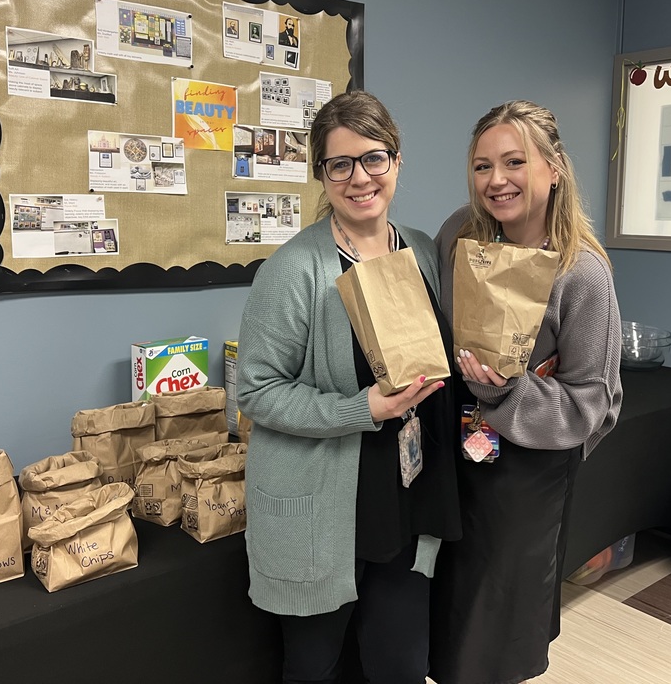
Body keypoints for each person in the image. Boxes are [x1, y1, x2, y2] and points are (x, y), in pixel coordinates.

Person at [236, 90, 461, 684]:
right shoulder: (293, 269)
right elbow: (256, 391)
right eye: (341, 164)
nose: (360, 178)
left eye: (373, 158)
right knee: (316, 666)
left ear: (397, 162)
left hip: (405, 496)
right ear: (322, 174)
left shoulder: (421, 251)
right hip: (324, 509)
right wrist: (362, 408)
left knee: (401, 665)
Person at [429, 99, 623, 684]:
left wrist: (509, 396)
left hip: (526, 475)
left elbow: (594, 403)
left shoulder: (581, 273)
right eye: (482, 166)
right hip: (453, 456)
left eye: (514, 162)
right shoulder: (457, 237)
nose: (497, 180)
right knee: (448, 608)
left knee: (501, 620)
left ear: (554, 167)